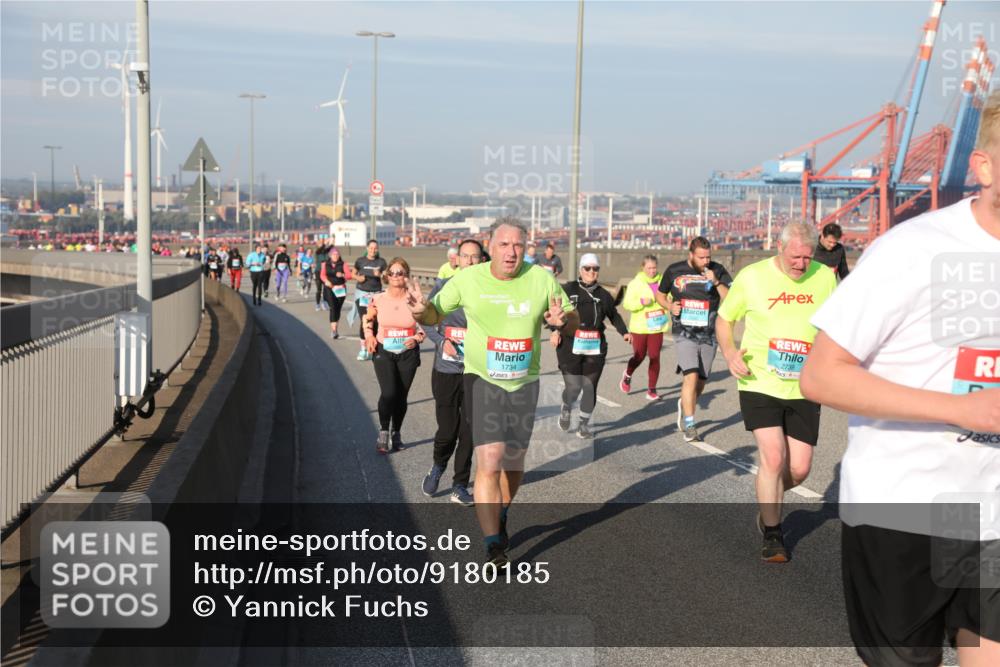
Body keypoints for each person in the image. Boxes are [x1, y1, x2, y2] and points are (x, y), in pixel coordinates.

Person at [801, 91, 1000, 667]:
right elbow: (822, 376)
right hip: (904, 506)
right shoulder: (911, 251)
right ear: (982, 166)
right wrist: (959, 408)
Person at [411, 217, 578, 569]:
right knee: (489, 460)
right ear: (492, 246)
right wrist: (419, 311)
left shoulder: (541, 279)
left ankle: (502, 511)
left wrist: (563, 321)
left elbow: (572, 317)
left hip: (524, 382)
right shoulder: (468, 279)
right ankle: (493, 547)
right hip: (482, 380)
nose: (511, 252)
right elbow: (433, 312)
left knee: (513, 462)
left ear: (526, 248)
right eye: (504, 245)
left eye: (518, 245)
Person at [716, 223, 836, 562]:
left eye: (807, 258)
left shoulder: (825, 277)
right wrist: (729, 352)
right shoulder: (752, 277)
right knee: (773, 456)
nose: (801, 264)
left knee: (799, 468)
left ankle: (768, 503)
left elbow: (838, 323)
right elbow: (725, 320)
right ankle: (773, 532)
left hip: (804, 385)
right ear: (779, 249)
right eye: (795, 257)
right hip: (759, 381)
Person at [421, 239, 483, 505]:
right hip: (446, 369)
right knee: (448, 429)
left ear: (482, 261)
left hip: (476, 371)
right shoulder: (444, 287)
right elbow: (426, 320)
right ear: (456, 260)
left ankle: (460, 485)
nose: (470, 261)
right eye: (465, 256)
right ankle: (437, 466)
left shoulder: (490, 292)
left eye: (475, 257)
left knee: (469, 430)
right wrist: (441, 340)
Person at [657, 237, 733, 441]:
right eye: (701, 257)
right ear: (690, 255)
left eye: (708, 257)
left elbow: (731, 298)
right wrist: (669, 306)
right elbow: (660, 294)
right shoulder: (674, 270)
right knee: (690, 376)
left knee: (700, 382)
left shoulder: (718, 270)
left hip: (709, 334)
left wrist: (716, 281)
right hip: (684, 332)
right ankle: (690, 425)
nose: (706, 261)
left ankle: (685, 402)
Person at [551, 253, 630, 439]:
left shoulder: (603, 295)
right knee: (574, 387)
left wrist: (624, 332)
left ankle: (584, 424)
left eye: (595, 269)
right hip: (570, 344)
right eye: (587, 268)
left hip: (595, 345)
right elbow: (554, 311)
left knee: (590, 386)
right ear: (580, 269)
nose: (591, 272)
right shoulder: (568, 289)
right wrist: (555, 330)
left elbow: (614, 315)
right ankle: (566, 407)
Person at [362, 258, 426, 454]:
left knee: (401, 396)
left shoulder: (414, 298)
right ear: (387, 276)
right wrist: (369, 335)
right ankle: (383, 430)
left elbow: (425, 327)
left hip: (408, 353)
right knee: (389, 393)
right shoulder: (378, 299)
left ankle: (396, 432)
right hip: (384, 350)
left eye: (401, 272)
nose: (397, 276)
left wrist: (416, 338)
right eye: (393, 272)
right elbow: (368, 319)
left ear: (406, 275)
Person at [620, 255, 669, 400]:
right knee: (639, 356)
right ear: (643, 268)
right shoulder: (636, 283)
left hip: (657, 325)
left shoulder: (663, 281)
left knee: (654, 357)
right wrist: (641, 302)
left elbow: (670, 297)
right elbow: (627, 304)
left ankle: (652, 390)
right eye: (649, 268)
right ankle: (628, 374)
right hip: (640, 327)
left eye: (654, 268)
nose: (652, 271)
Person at [354, 240, 388, 361]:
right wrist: (359, 278)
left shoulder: (381, 262)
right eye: (371, 248)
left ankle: (373, 346)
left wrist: (380, 275)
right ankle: (363, 349)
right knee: (365, 320)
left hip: (376, 295)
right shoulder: (360, 261)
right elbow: (353, 273)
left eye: (375, 248)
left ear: (377, 249)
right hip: (363, 294)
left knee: (377, 321)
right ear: (367, 248)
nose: (373, 250)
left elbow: (386, 279)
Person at [320, 247, 349, 339]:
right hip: (330, 288)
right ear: (330, 255)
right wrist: (326, 281)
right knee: (333, 307)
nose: (335, 256)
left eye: (337, 254)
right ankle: (334, 330)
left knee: (337, 309)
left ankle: (335, 326)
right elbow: (322, 275)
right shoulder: (325, 264)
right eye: (333, 254)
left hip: (340, 289)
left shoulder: (343, 264)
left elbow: (349, 276)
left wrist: (343, 275)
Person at [315, 241, 331, 311]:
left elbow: (330, 247)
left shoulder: (327, 253)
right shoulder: (317, 252)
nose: (323, 246)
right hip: (318, 271)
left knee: (326, 289)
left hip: (326, 272)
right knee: (319, 289)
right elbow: (321, 248)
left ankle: (324, 303)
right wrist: (325, 243)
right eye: (320, 244)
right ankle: (317, 304)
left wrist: (332, 241)